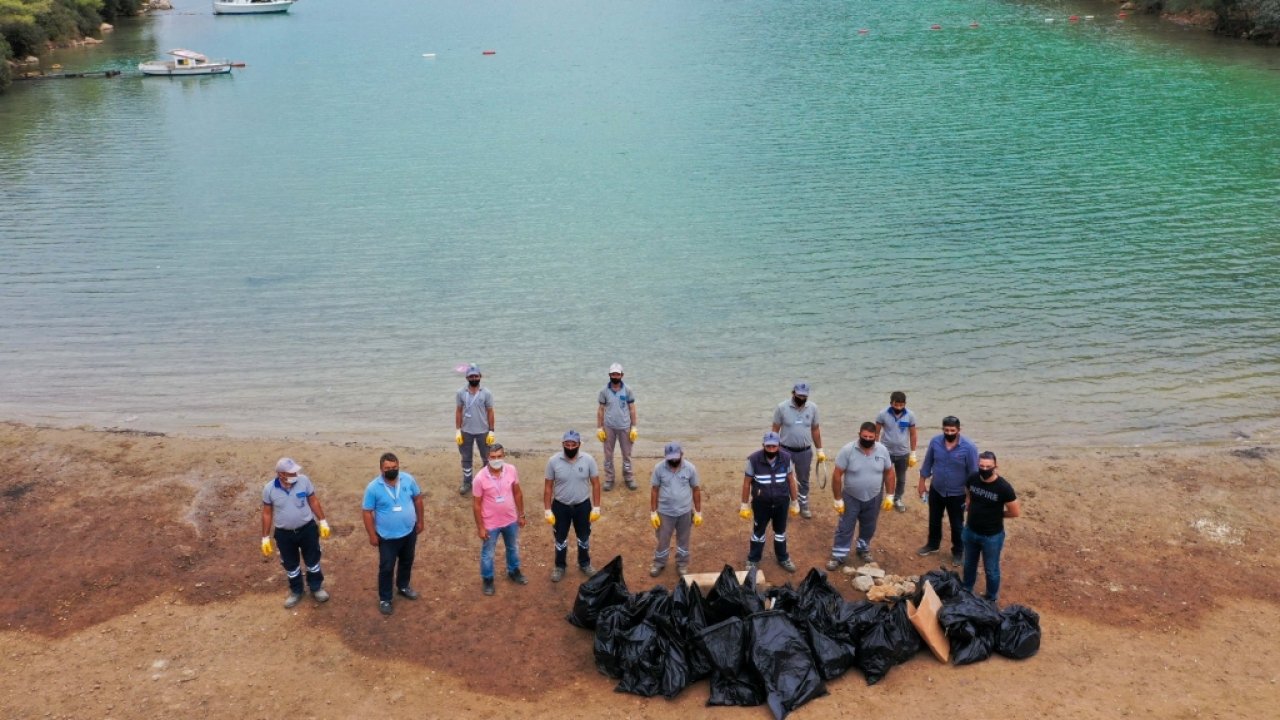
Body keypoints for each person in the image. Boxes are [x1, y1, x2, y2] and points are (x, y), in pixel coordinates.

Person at [261, 458, 331, 608]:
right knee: (291, 565)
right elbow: (267, 513)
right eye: (291, 473)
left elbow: (313, 501)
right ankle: (296, 591)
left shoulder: (304, 481)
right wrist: (265, 537)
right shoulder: (269, 489)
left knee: (313, 561)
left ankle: (316, 587)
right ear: (281, 474)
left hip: (307, 529)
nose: (296, 474)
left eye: (296, 471)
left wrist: (323, 520)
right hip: (284, 534)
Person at [362, 452, 425, 616]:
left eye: (394, 467)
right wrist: (372, 535)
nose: (391, 470)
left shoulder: (408, 480)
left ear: (398, 466)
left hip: (409, 531)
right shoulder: (373, 488)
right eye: (388, 468)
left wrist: (420, 521)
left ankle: (403, 586)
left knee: (407, 561)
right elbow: (367, 512)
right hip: (387, 537)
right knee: (386, 567)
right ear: (381, 469)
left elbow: (418, 499)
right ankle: (385, 599)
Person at [826, 422, 896, 568]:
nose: (867, 439)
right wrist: (838, 499)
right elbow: (837, 474)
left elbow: (889, 472)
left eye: (871, 437)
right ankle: (839, 555)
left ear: (876, 436)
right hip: (851, 497)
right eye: (865, 436)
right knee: (845, 527)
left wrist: (890, 495)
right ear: (859, 435)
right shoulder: (847, 450)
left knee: (869, 526)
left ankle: (863, 548)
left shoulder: (882, 450)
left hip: (874, 497)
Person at [916, 416, 980, 567]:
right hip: (936, 489)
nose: (949, 433)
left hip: (958, 493)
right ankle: (933, 544)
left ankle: (958, 551)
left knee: (957, 524)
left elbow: (973, 473)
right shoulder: (935, 442)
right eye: (946, 430)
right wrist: (921, 483)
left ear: (959, 430)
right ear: (942, 429)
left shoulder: (969, 447)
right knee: (934, 519)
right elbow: (928, 463)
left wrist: (970, 496)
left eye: (952, 430)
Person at [544, 430, 603, 582]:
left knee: (583, 537)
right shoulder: (553, 461)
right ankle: (559, 566)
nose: (570, 447)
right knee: (560, 538)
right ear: (563, 444)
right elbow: (548, 487)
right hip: (560, 506)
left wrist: (596, 507)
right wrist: (547, 510)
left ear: (579, 444)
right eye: (567, 444)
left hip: (582, 506)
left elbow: (596, 484)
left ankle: (585, 563)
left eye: (573, 444)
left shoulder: (588, 460)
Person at [962, 451, 1021, 603]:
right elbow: (967, 491)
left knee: (991, 569)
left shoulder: (1004, 487)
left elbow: (1015, 512)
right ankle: (966, 590)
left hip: (992, 536)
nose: (984, 469)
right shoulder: (972, 478)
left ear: (995, 466)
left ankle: (991, 598)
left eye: (988, 466)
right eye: (981, 466)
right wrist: (968, 501)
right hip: (970, 531)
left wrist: (997, 515)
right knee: (969, 564)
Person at [472, 444, 528, 596]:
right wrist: (480, 527)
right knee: (488, 553)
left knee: (513, 547)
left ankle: (514, 571)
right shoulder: (479, 478)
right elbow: (476, 505)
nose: (496, 460)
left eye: (499, 456)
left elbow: (517, 493)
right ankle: (488, 579)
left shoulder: (511, 470)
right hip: (490, 523)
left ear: (503, 456)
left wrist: (521, 515)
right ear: (487, 457)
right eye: (493, 457)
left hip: (510, 519)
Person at [740, 431, 800, 573]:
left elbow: (791, 481)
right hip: (761, 504)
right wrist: (744, 504)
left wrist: (795, 501)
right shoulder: (753, 460)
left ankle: (783, 558)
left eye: (774, 446)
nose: (771, 449)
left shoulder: (786, 458)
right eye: (768, 446)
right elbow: (746, 483)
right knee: (758, 533)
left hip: (781, 502)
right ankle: (753, 559)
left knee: (780, 532)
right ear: (763, 445)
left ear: (779, 446)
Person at [771, 381, 825, 519]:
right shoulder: (782, 407)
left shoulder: (813, 408)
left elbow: (815, 429)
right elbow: (775, 429)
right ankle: (786, 504)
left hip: (805, 451)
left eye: (804, 396)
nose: (801, 398)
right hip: (785, 450)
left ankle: (803, 504)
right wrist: (773, 448)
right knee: (783, 478)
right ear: (793, 392)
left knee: (803, 480)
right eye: (799, 395)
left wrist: (820, 449)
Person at [648, 442, 702, 577]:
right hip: (665, 512)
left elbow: (696, 489)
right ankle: (659, 563)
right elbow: (654, 490)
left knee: (683, 539)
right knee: (662, 539)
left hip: (685, 512)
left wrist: (698, 512)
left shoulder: (690, 468)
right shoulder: (659, 468)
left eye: (675, 457)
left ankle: (682, 563)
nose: (673, 460)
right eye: (670, 458)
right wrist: (653, 512)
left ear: (681, 454)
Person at [596, 362, 639, 491]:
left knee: (627, 454)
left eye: (617, 374)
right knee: (608, 455)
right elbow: (600, 410)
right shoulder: (604, 391)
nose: (615, 376)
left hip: (625, 427)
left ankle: (628, 478)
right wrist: (599, 428)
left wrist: (634, 427)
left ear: (622, 375)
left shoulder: (628, 390)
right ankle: (609, 478)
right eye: (613, 374)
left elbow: (632, 409)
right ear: (609, 375)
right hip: (609, 427)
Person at [455, 363, 495, 495]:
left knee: (487, 458)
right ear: (467, 378)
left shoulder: (486, 393)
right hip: (466, 431)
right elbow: (458, 411)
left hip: (483, 431)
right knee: (466, 458)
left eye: (476, 376)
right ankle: (467, 482)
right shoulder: (461, 392)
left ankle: (486, 481)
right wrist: (458, 430)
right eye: (471, 376)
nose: (474, 378)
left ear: (480, 376)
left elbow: (490, 412)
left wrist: (491, 431)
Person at [875, 391, 919, 512]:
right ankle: (878, 500)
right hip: (885, 452)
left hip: (903, 453)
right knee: (881, 477)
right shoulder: (882, 414)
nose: (899, 407)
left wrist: (913, 453)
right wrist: (875, 449)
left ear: (905, 404)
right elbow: (876, 433)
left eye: (901, 405)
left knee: (901, 479)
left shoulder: (910, 415)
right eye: (896, 405)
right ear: (891, 403)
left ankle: (897, 499)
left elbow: (913, 434)